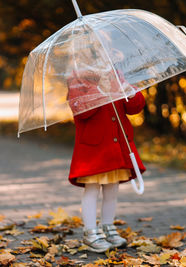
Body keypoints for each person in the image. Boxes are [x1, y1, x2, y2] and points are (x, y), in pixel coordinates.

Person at [67, 66, 146, 253]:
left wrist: (129, 92)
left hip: (115, 146)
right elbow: (81, 111)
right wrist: (99, 89)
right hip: (94, 149)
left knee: (112, 189)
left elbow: (134, 108)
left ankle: (107, 227)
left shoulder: (116, 76)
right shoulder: (77, 79)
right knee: (92, 189)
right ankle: (90, 232)